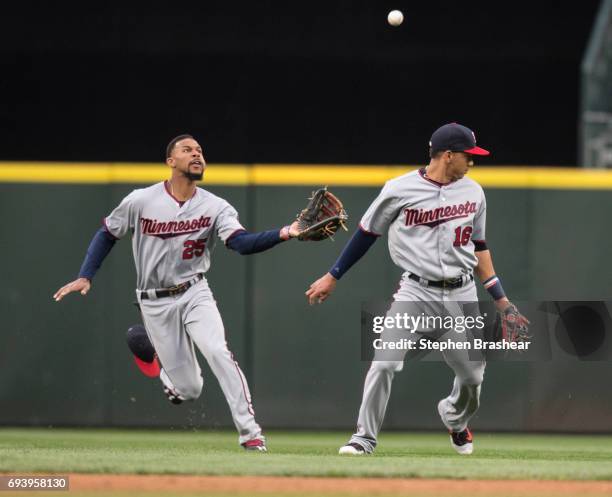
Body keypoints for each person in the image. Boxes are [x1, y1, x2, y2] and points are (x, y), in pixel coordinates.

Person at [53, 134, 300, 452]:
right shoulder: (141, 201)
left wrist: (285, 233)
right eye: (187, 150)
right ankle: (153, 355)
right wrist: (85, 276)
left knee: (218, 351)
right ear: (170, 161)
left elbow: (240, 243)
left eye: (200, 151)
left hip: (194, 292)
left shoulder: (215, 206)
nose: (196, 154)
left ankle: (251, 434)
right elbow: (107, 232)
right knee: (189, 390)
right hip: (154, 301)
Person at [306, 123, 523, 456]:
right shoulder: (399, 189)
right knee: (384, 363)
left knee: (472, 378)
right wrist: (333, 275)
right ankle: (364, 439)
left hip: (462, 295)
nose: (472, 163)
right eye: (468, 156)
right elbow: (366, 233)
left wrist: (503, 301)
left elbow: (479, 249)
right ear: (448, 155)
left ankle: (454, 417)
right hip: (416, 294)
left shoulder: (473, 192)